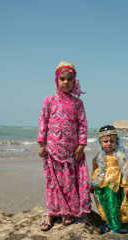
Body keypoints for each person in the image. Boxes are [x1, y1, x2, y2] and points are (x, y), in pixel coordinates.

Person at [37, 61, 91, 231]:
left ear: (74, 82)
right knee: (52, 183)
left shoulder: (78, 103)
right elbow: (43, 122)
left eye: (69, 79)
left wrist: (81, 146)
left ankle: (67, 211)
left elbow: (82, 124)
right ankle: (51, 212)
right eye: (62, 79)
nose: (66, 82)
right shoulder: (49, 101)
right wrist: (41, 144)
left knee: (68, 183)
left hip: (71, 152)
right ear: (56, 80)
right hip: (52, 151)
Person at [90, 125, 128, 234]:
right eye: (105, 141)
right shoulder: (98, 157)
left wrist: (126, 185)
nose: (109, 144)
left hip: (115, 186)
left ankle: (115, 226)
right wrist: (92, 184)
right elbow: (95, 171)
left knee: (115, 205)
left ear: (116, 141)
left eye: (112, 141)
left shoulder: (120, 155)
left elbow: (126, 170)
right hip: (102, 186)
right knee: (104, 205)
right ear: (101, 142)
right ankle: (108, 223)